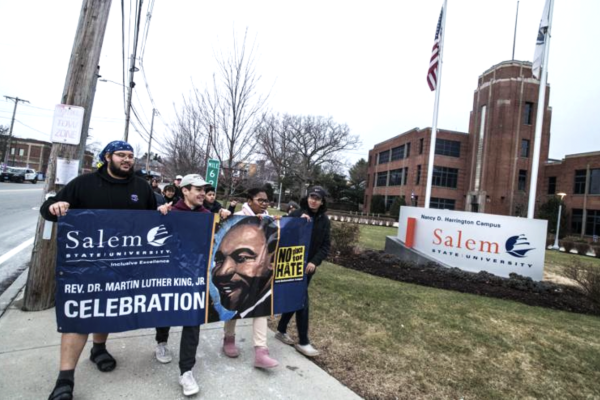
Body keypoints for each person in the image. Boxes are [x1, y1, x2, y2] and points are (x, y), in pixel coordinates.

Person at [40, 141, 157, 400]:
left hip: (122, 265)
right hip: (84, 267)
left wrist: (163, 209)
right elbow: (47, 210)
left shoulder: (141, 187)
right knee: (79, 317)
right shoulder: (84, 184)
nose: (127, 160)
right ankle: (64, 380)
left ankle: (99, 349)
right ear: (107, 157)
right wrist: (55, 207)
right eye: (121, 155)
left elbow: (156, 216)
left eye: (130, 156)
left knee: (106, 311)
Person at [155, 174, 211, 396]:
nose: (202, 193)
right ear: (185, 190)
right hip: (170, 273)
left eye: (204, 189)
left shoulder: (208, 215)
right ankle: (161, 341)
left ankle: (186, 371)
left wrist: (225, 217)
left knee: (192, 322)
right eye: (197, 189)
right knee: (166, 312)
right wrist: (159, 216)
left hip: (195, 276)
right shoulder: (171, 212)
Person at [219, 187, 279, 369]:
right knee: (234, 302)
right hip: (241, 272)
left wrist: (300, 221)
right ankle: (228, 339)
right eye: (260, 200)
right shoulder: (237, 218)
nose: (264, 204)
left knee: (260, 307)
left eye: (266, 201)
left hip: (258, 273)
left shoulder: (269, 220)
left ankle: (261, 351)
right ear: (249, 200)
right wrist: (224, 214)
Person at [275, 186, 331, 357]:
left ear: (322, 202)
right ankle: (304, 341)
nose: (313, 200)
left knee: (297, 297)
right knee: (302, 301)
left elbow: (325, 246)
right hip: (292, 264)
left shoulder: (324, 221)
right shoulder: (297, 214)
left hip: (308, 268)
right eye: (311, 197)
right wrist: (297, 220)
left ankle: (281, 329)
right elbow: (281, 230)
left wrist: (315, 261)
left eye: (317, 198)